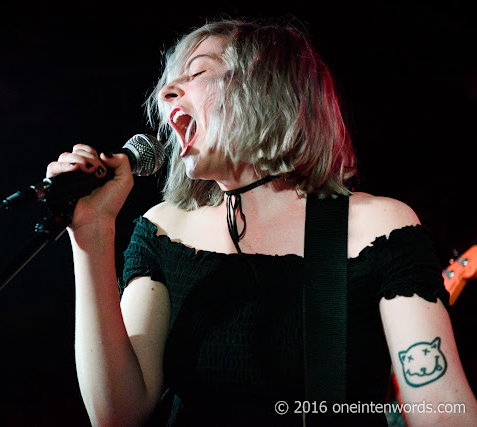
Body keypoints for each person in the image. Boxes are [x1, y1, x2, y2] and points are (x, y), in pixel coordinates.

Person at [46, 19, 477, 425]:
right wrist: (93, 235)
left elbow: (442, 410)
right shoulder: (164, 231)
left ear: (266, 91)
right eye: (169, 80)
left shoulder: (375, 229)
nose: (165, 93)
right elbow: (117, 414)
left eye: (197, 73)